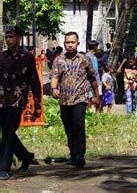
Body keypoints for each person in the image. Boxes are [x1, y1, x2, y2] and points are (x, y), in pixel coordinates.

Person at [51, 32, 100, 168]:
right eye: (68, 42)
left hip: (80, 98)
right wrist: (54, 88)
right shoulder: (58, 60)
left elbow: (92, 78)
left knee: (78, 125)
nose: (70, 45)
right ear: (64, 43)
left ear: (78, 43)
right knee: (69, 128)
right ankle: (73, 153)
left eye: (73, 42)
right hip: (64, 100)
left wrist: (97, 95)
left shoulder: (85, 59)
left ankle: (79, 155)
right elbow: (55, 76)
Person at [0, 26, 41, 180]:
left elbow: (34, 81)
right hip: (1, 100)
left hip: (18, 100)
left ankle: (3, 168)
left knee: (9, 132)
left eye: (11, 37)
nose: (9, 40)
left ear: (19, 38)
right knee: (6, 132)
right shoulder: (1, 56)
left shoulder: (28, 58)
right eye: (7, 37)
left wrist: (37, 104)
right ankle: (26, 155)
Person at [86, 40, 102, 110]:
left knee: (98, 97)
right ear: (95, 47)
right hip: (90, 80)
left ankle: (97, 114)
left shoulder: (94, 57)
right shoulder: (87, 56)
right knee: (89, 97)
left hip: (97, 79)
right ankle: (90, 113)